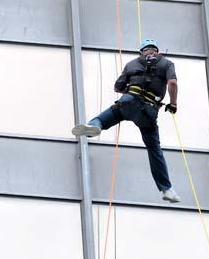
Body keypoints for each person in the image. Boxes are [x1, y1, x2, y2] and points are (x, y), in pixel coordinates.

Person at [72, 39, 181, 203]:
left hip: (128, 101)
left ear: (142, 51)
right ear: (157, 51)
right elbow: (172, 83)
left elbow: (117, 87)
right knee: (154, 149)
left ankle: (95, 127)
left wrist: (132, 86)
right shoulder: (166, 63)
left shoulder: (132, 64)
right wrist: (173, 104)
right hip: (148, 111)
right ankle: (166, 189)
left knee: (101, 119)